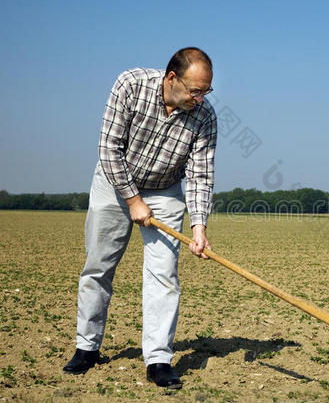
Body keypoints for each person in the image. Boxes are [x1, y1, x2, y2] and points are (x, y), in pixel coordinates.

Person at [63, 47, 217, 390]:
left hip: (165, 190)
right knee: (98, 267)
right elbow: (109, 149)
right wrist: (133, 200)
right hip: (114, 182)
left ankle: (159, 360)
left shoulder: (204, 116)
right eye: (195, 90)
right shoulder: (130, 84)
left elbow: (200, 176)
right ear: (171, 78)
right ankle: (87, 347)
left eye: (206, 91)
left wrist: (199, 227)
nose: (200, 98)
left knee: (164, 274)